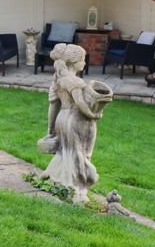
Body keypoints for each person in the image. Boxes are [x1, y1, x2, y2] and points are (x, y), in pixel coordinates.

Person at [38, 44, 113, 201]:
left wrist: (50, 129)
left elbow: (53, 106)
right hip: (78, 122)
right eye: (83, 60)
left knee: (65, 151)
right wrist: (94, 114)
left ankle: (56, 176)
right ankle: (79, 190)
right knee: (83, 155)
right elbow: (81, 103)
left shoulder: (58, 81)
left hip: (62, 120)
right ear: (74, 62)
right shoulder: (76, 83)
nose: (84, 63)